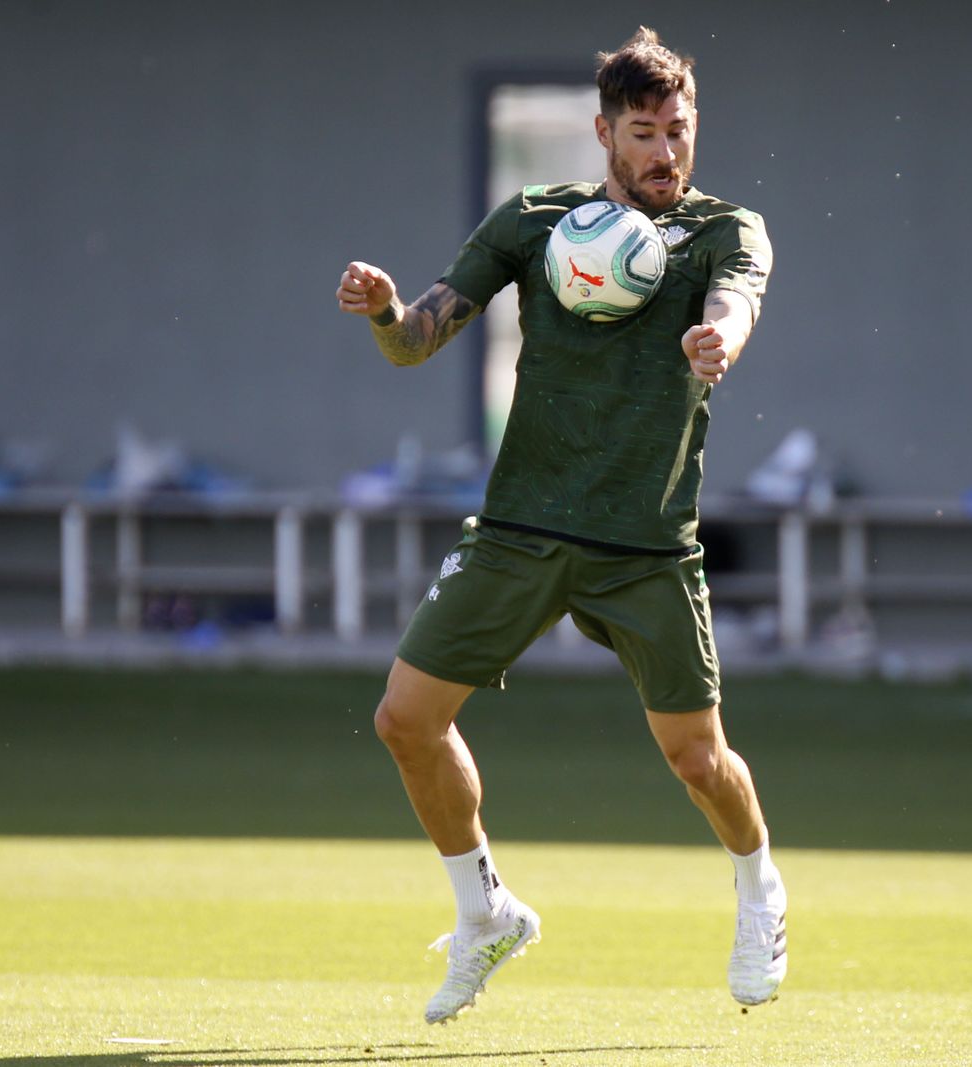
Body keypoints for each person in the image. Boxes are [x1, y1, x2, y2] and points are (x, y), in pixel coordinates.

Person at [334, 27, 786, 1024]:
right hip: (522, 524)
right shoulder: (536, 224)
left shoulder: (724, 230)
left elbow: (737, 299)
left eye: (680, 128)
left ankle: (760, 893)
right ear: (604, 135)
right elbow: (416, 342)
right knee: (404, 719)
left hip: (646, 540)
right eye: (645, 133)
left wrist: (720, 338)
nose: (668, 151)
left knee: (697, 761)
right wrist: (384, 310)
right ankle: (484, 907)